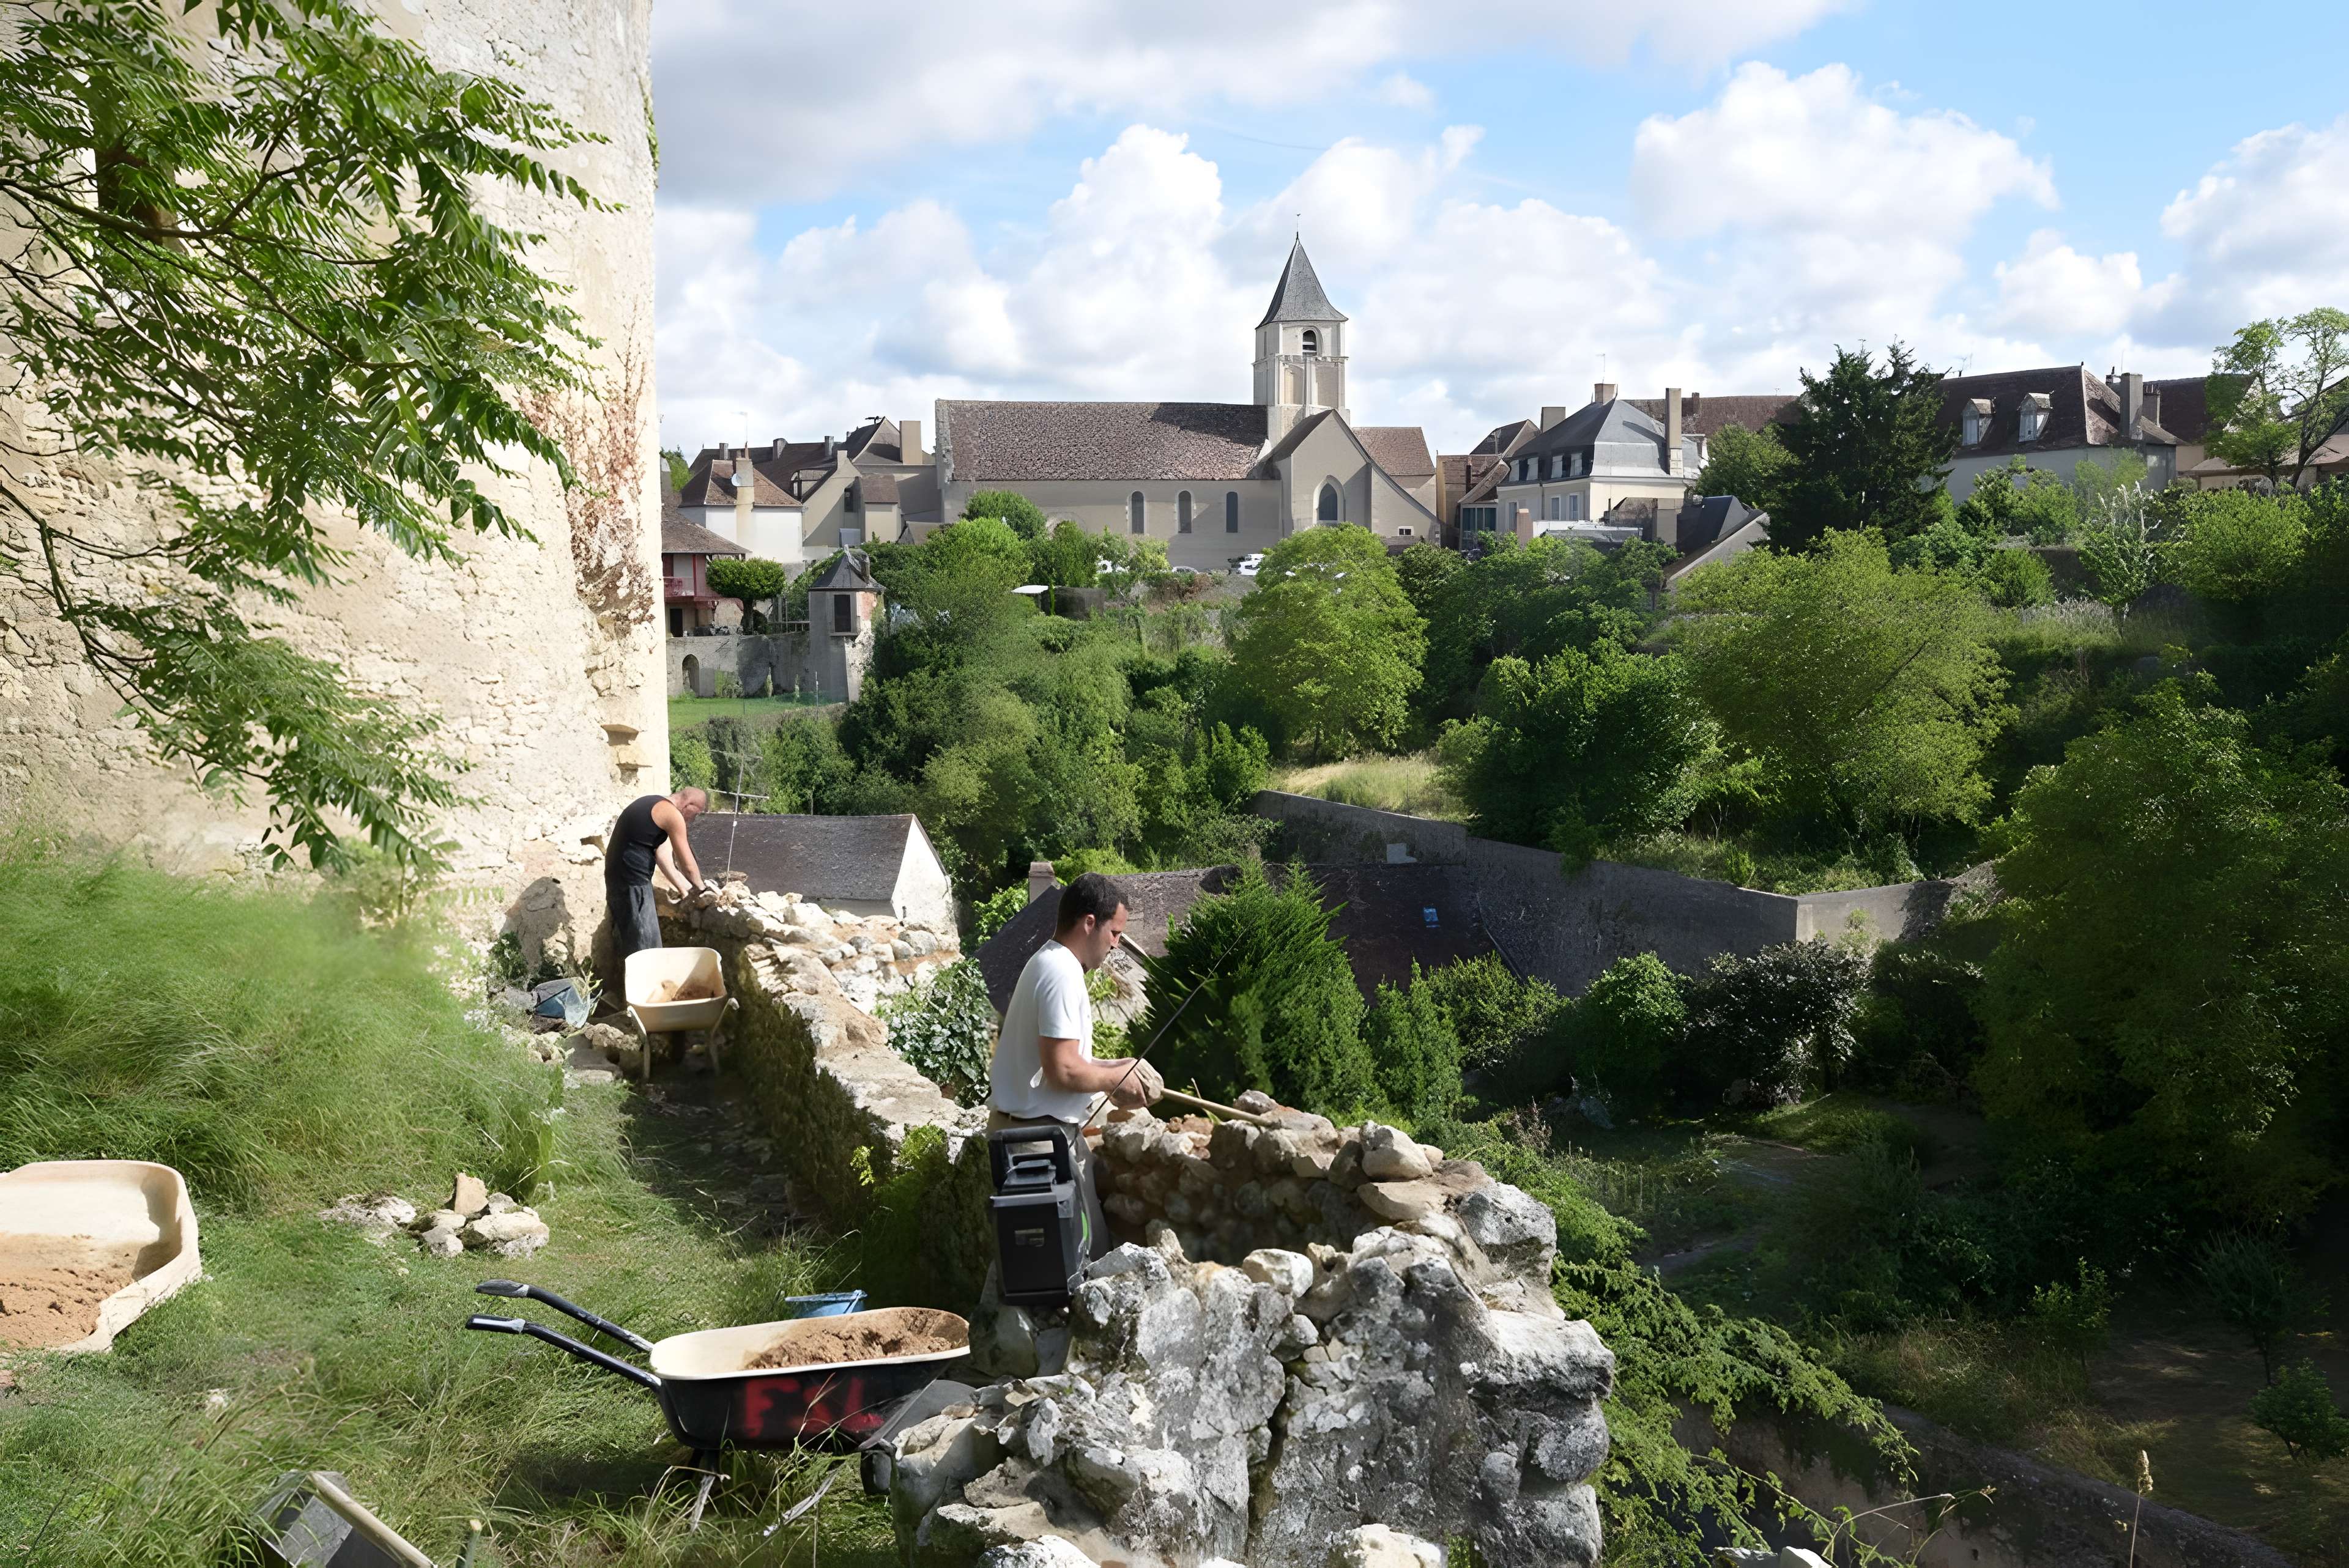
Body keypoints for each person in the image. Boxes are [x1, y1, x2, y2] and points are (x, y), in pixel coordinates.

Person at [987, 871, 1163, 1258]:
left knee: (1050, 1261)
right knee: (1072, 1262)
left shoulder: (1050, 962)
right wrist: (1114, 1080)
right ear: (1089, 923)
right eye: (1115, 933)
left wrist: (1122, 1064)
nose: (1117, 945)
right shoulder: (1062, 973)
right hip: (1035, 1145)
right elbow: (1063, 1071)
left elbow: (1063, 1060)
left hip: (1032, 1137)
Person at [604, 788, 712, 969]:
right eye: (697, 813)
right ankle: (649, 992)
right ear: (689, 805)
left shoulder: (652, 803)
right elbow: (687, 865)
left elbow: (663, 858)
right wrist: (703, 889)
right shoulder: (672, 814)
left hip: (619, 878)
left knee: (632, 939)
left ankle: (630, 988)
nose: (693, 820)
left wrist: (685, 890)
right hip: (633, 882)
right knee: (647, 945)